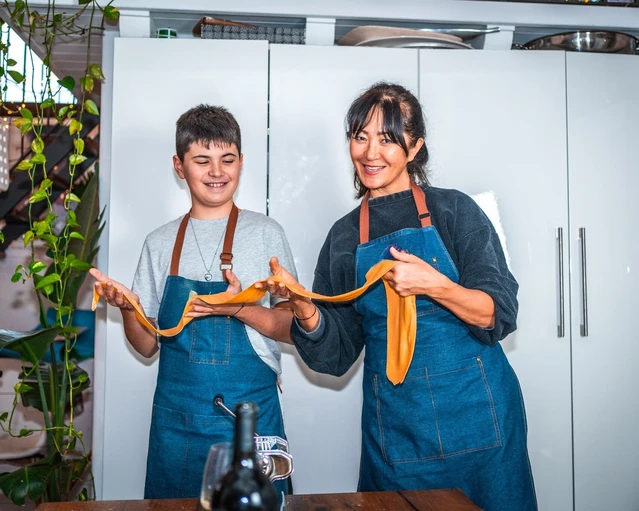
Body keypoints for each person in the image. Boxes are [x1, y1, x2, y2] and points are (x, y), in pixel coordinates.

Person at [264, 83, 537, 511]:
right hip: (397, 432)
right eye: (360, 137)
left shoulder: (455, 211)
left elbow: (497, 313)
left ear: (414, 147)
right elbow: (336, 356)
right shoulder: (345, 236)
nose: (371, 152)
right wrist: (305, 308)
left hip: (480, 424)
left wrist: (434, 285)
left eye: (388, 139)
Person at [90, 105, 296, 499]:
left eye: (227, 159)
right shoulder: (159, 242)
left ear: (240, 162)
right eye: (202, 160)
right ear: (179, 166)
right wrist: (128, 308)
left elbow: (291, 328)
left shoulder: (267, 234)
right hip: (177, 425)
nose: (217, 172)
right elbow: (148, 345)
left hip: (250, 417)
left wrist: (241, 307)